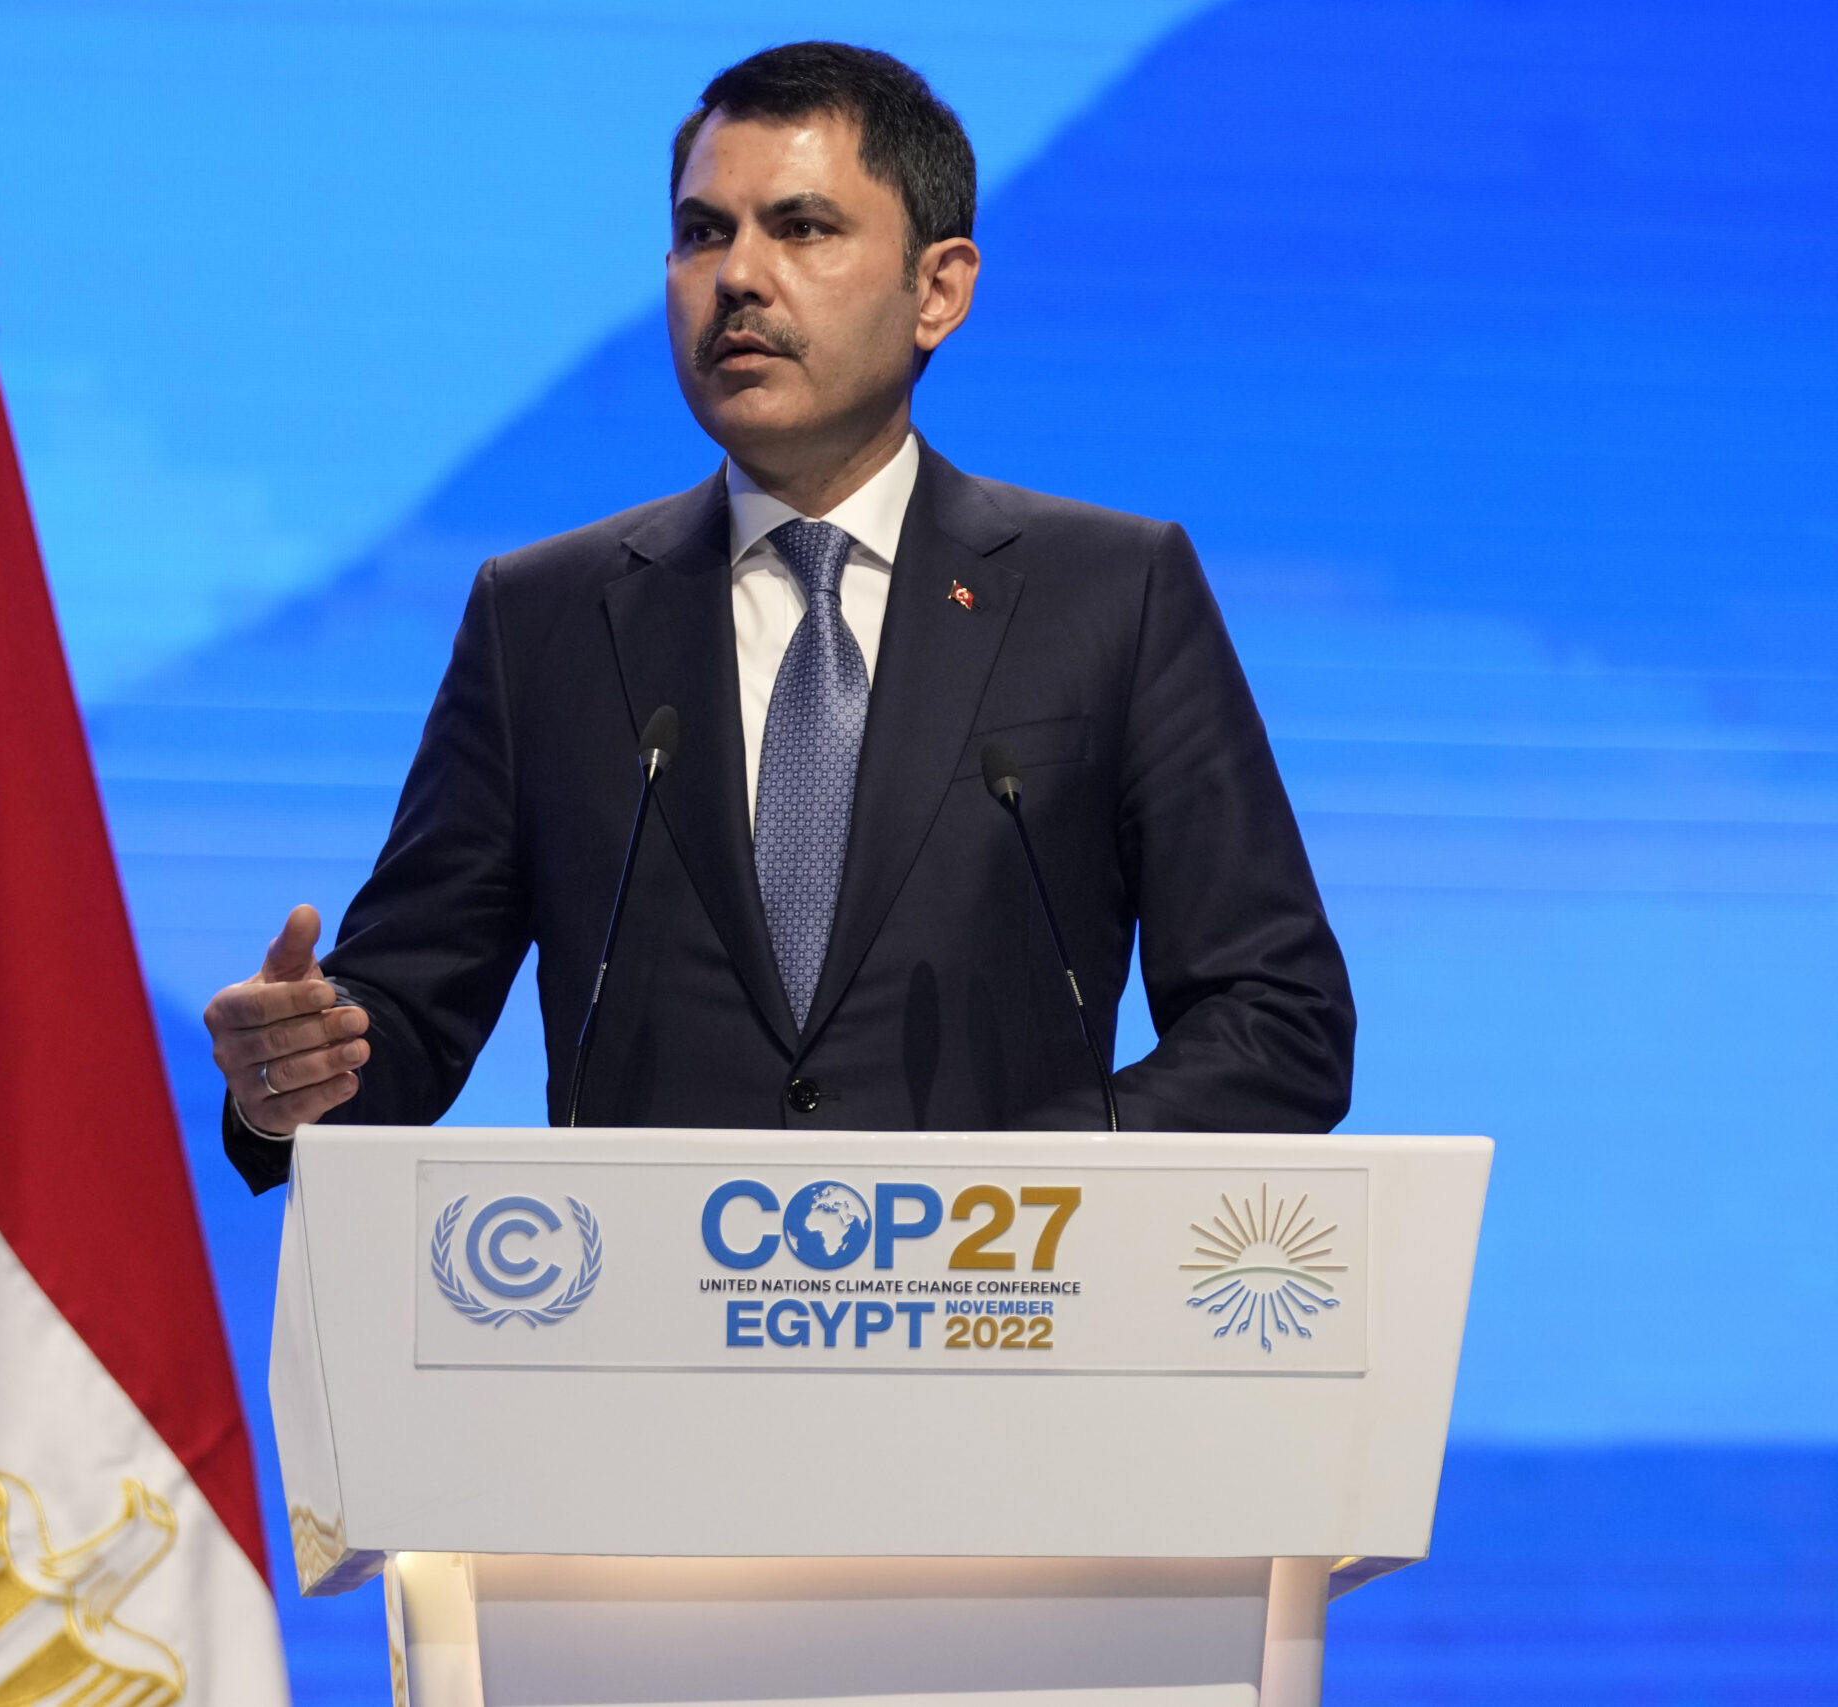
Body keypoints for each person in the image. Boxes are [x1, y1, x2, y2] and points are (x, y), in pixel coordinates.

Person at [206, 42, 1353, 1193]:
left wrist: (1020, 1180)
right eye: (703, 232)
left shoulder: (1110, 593)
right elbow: (405, 1015)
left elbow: (1278, 1019)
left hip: (998, 1289)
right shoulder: (543, 616)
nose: (738, 277)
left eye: (801, 228)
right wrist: (294, 1071)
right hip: (645, 1295)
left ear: (938, 290)